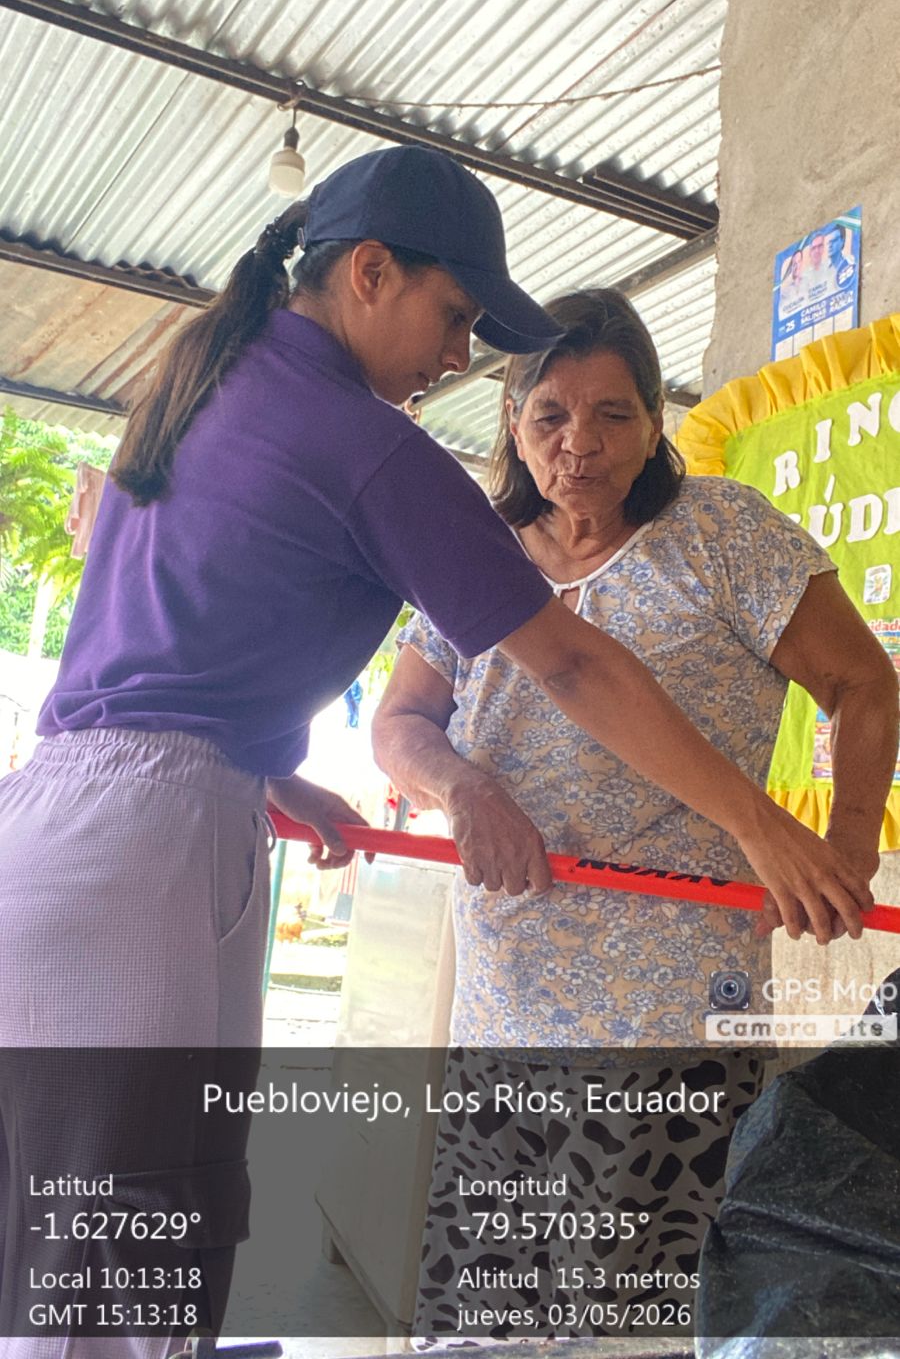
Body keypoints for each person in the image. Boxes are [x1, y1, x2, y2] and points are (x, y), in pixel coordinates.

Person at [0, 151, 880, 1354]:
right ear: (371, 272)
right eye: (457, 316)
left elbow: (162, 645)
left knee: (126, 1230)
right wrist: (760, 823)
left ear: (656, 422)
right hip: (156, 857)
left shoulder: (205, 384)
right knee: (121, 1248)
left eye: (615, 412)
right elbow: (571, 667)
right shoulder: (374, 448)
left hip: (91, 828)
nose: (460, 355)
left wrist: (256, 766)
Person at [372, 289, 898, 1340]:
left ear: (657, 424)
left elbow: (865, 683)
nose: (581, 444)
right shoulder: (481, 551)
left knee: (633, 1321)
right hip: (503, 1010)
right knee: (485, 1313)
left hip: (672, 1023)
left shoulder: (722, 533)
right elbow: (400, 724)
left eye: (614, 414)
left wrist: (843, 847)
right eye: (551, 415)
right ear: (512, 422)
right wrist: (463, 787)